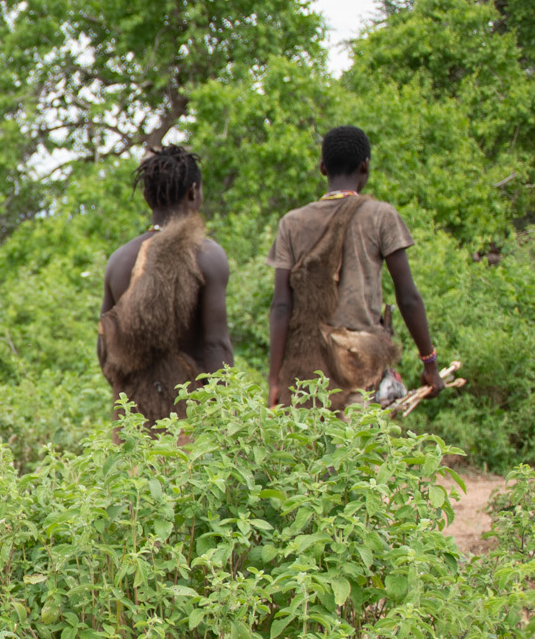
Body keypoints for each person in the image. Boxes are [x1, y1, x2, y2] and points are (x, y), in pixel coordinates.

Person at [266, 125, 440, 411]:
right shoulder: (380, 216)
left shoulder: (291, 223)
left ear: (323, 168)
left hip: (305, 375)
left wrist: (274, 380)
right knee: (361, 451)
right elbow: (407, 296)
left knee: (304, 451)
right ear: (365, 166)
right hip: (361, 367)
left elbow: (281, 306)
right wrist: (429, 362)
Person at [98, 144, 232, 423]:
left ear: (147, 197)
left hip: (133, 426)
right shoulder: (207, 256)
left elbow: (104, 348)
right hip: (192, 423)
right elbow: (215, 346)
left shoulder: (119, 261)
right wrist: (225, 418)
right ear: (193, 192)